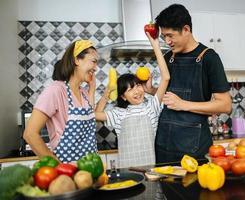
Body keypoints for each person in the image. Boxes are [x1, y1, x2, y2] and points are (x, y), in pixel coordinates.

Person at [144, 4, 232, 163]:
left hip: (194, 148)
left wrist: (184, 104)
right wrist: (152, 90)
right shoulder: (168, 57)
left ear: (186, 29)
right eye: (164, 36)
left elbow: (225, 105)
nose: (167, 41)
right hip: (164, 144)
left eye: (170, 35)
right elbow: (171, 98)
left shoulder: (209, 58)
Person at [95, 32, 170, 168]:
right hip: (127, 170)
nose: (136, 91)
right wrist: (107, 92)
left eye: (138, 86)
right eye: (130, 90)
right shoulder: (118, 113)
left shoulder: (152, 106)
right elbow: (95, 115)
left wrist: (155, 45)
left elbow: (165, 78)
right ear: (123, 96)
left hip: (151, 168)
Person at [23, 39, 99, 163]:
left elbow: (91, 126)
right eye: (93, 61)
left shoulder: (83, 93)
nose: (95, 68)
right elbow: (30, 133)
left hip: (91, 171)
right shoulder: (56, 90)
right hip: (66, 175)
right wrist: (57, 168)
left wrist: (92, 89)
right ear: (76, 60)